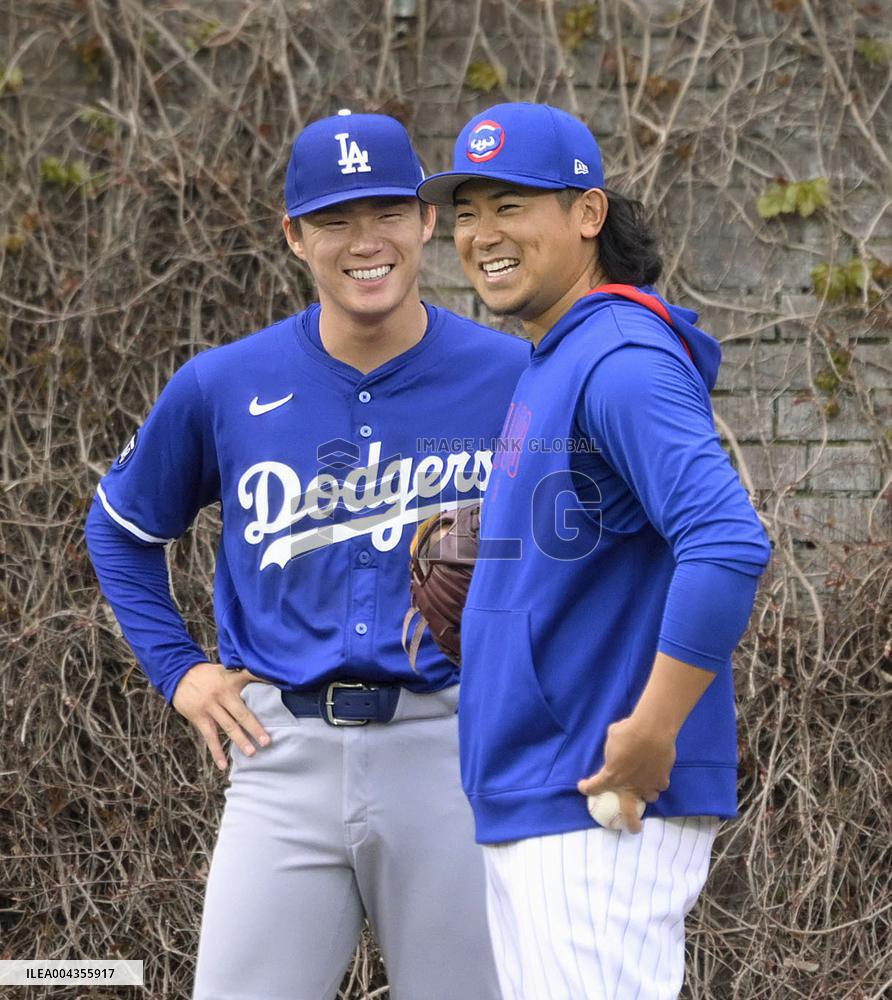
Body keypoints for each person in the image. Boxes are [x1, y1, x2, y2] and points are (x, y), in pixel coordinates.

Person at [85, 110, 529, 1000]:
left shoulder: (514, 376)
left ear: (425, 221)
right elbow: (120, 531)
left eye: (387, 213)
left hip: (449, 749)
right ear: (294, 236)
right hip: (279, 756)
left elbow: (580, 556)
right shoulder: (224, 382)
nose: (366, 243)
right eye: (334, 219)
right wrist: (179, 671)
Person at [417, 102, 772, 1000]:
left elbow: (727, 541)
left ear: (587, 213)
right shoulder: (554, 358)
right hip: (538, 794)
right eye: (466, 213)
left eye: (511, 205)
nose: (482, 234)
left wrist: (652, 733)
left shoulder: (619, 356)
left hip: (599, 798)